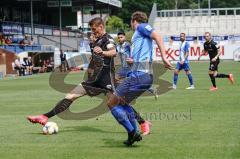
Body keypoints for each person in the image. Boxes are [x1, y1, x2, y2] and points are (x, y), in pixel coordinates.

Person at [26, 18, 118, 130]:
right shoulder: (96, 41)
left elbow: (113, 52)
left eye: (94, 29)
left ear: (101, 26)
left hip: (106, 79)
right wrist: (90, 68)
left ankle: (142, 122)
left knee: (116, 104)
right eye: (91, 30)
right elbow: (95, 58)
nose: (93, 32)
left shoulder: (108, 40)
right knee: (71, 95)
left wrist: (103, 52)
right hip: (94, 79)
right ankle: (44, 117)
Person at [107, 11, 174, 146]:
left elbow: (158, 37)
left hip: (140, 75)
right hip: (142, 75)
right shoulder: (139, 34)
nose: (131, 25)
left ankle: (133, 132)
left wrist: (164, 57)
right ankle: (136, 130)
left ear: (134, 20)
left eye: (131, 23)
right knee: (123, 104)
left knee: (111, 103)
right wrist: (133, 61)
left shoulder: (141, 27)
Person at [116, 31, 152, 135]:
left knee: (121, 101)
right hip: (122, 70)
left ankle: (141, 124)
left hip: (128, 71)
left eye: (121, 37)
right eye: (119, 37)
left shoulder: (128, 45)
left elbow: (133, 56)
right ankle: (141, 123)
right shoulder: (119, 46)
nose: (120, 39)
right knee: (121, 101)